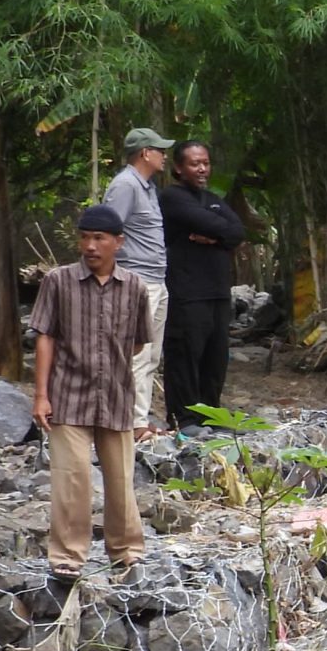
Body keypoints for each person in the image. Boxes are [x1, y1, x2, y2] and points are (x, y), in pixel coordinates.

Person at [31, 205, 153, 592]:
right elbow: (45, 337)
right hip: (68, 395)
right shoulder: (58, 281)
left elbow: (138, 343)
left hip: (116, 396)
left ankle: (126, 550)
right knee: (72, 479)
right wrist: (41, 395)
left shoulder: (134, 287)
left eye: (99, 238)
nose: (90, 246)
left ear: (119, 242)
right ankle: (67, 557)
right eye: (84, 237)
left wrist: (108, 363)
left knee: (121, 479)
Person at [157, 138, 246, 429]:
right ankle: (184, 418)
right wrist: (220, 234)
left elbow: (237, 231)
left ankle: (211, 415)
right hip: (187, 291)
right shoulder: (172, 197)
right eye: (195, 164)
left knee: (215, 357)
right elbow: (215, 225)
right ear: (178, 168)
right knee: (185, 355)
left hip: (218, 291)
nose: (202, 169)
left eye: (205, 163)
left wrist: (215, 237)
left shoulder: (213, 199)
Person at [103, 126, 173, 429]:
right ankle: (128, 422)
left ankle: (139, 420)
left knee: (152, 354)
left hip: (156, 278)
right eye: (160, 150)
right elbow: (107, 231)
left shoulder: (146, 187)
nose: (165, 156)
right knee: (136, 353)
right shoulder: (125, 185)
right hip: (137, 279)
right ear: (145, 153)